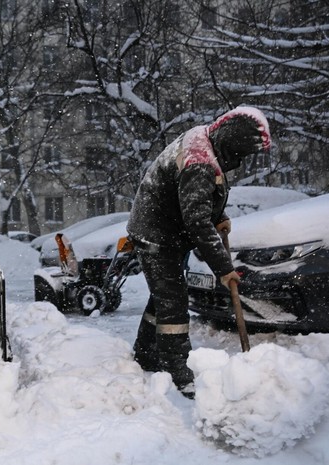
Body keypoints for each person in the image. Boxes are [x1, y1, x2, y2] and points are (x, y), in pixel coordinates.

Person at [126, 106, 272, 397]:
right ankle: (178, 372)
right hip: (158, 236)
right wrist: (224, 269)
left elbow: (197, 199)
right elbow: (196, 221)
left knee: (164, 295)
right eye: (241, 154)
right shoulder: (200, 163)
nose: (241, 160)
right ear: (230, 144)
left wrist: (219, 215)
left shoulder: (204, 138)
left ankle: (145, 354)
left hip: (163, 229)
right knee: (173, 302)